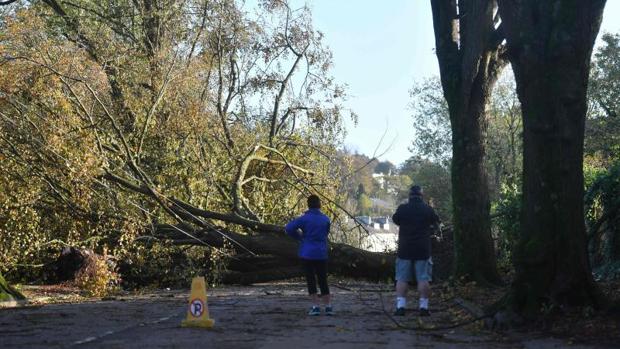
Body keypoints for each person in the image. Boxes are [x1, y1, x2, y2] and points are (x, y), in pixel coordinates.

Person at [392, 185, 440, 316]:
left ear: (409, 196)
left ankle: (400, 307)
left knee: (402, 279)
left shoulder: (403, 209)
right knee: (423, 279)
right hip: (423, 250)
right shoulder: (427, 209)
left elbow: (395, 219)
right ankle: (423, 308)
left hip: (405, 249)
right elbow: (436, 223)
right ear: (421, 196)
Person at [285, 194, 333, 316]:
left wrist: (300, 237)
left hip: (307, 253)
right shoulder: (326, 219)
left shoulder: (304, 219)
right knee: (323, 279)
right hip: (321, 252)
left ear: (308, 205)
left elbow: (289, 228)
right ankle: (328, 306)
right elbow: (326, 233)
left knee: (311, 279)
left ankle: (315, 306)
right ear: (319, 205)